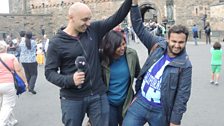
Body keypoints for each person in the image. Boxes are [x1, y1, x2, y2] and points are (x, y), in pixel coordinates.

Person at [44, 0, 132, 125]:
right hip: (72, 98)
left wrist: (130, 2)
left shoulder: (93, 30)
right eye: (84, 20)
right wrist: (70, 80)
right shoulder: (57, 43)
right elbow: (49, 73)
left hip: (98, 94)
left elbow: (115, 18)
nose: (88, 23)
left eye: (89, 19)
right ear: (71, 18)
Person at [122, 0, 192, 126]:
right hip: (141, 102)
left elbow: (183, 95)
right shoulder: (157, 44)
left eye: (181, 42)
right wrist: (134, 5)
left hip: (160, 110)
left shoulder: (185, 65)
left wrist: (175, 121)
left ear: (185, 42)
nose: (177, 45)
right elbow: (138, 27)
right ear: (167, 39)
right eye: (174, 41)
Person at [99, 30, 140, 126]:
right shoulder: (102, 58)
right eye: (119, 46)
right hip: (108, 103)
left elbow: (139, 74)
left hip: (126, 101)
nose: (123, 48)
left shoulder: (131, 54)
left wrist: (138, 95)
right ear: (111, 47)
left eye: (124, 44)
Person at [0, 40, 27, 126]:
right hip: (8, 83)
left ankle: (11, 120)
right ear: (6, 47)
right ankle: (2, 122)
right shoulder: (11, 57)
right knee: (8, 104)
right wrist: (25, 81)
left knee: (4, 103)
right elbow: (18, 70)